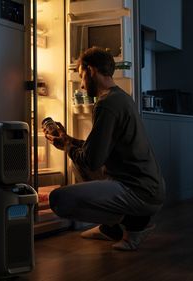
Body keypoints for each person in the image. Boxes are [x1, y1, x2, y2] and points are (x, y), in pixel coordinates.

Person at [44, 47, 165, 251]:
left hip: (138, 191)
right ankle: (112, 229)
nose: (82, 85)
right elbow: (98, 148)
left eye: (82, 76)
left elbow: (93, 160)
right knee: (78, 163)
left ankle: (136, 224)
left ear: (91, 70)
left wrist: (66, 146)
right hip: (149, 187)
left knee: (58, 200)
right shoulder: (120, 97)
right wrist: (68, 140)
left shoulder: (107, 103)